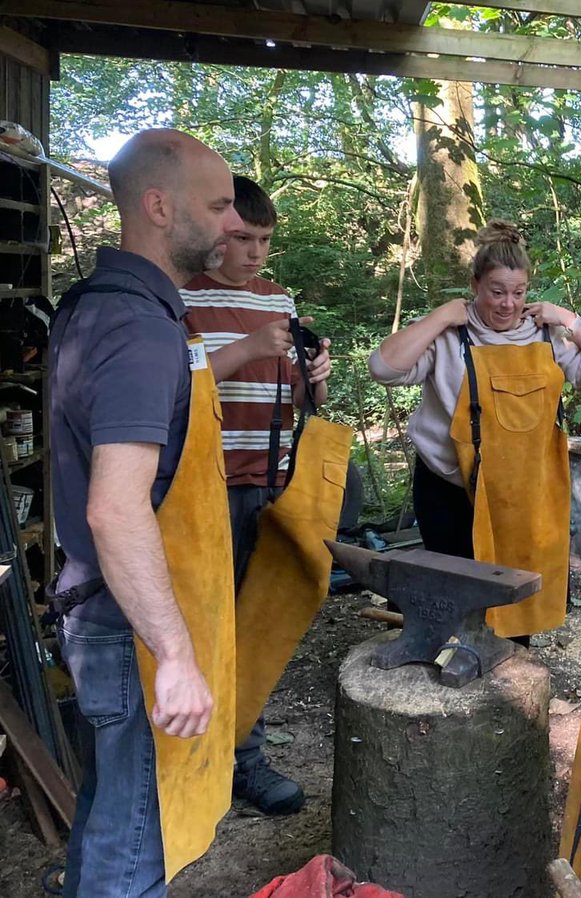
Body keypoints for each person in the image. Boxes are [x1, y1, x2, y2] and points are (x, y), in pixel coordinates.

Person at [49, 129, 243, 896]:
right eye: (220, 205)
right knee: (136, 849)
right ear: (159, 207)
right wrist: (177, 655)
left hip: (97, 611)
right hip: (124, 626)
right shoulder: (138, 328)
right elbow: (114, 509)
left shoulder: (104, 304)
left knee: (112, 809)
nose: (233, 224)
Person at [368, 220, 581, 639]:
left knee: (512, 599)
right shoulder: (448, 336)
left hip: (520, 494)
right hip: (448, 487)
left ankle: (510, 687)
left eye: (518, 293)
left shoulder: (546, 337)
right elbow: (383, 369)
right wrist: (439, 318)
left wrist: (569, 320)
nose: (508, 304)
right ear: (475, 285)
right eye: (496, 291)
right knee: (452, 592)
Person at [180, 175, 331, 816]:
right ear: (215, 232)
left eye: (264, 240)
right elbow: (173, 386)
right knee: (201, 628)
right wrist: (247, 349)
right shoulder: (176, 297)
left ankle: (244, 759)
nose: (254, 254)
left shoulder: (279, 300)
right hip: (204, 488)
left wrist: (315, 381)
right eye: (242, 238)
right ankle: (193, 765)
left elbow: (294, 401)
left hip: (271, 483)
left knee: (258, 624)